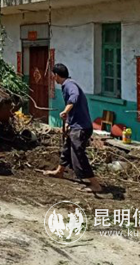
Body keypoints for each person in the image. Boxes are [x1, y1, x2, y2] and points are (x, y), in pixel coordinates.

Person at [44, 63, 102, 193]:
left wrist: (65, 111)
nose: (53, 77)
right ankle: (59, 171)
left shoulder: (69, 85)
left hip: (81, 128)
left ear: (56, 75)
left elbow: (74, 97)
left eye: (53, 75)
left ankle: (95, 184)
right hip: (76, 125)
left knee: (78, 154)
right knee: (67, 148)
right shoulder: (68, 84)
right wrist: (68, 122)